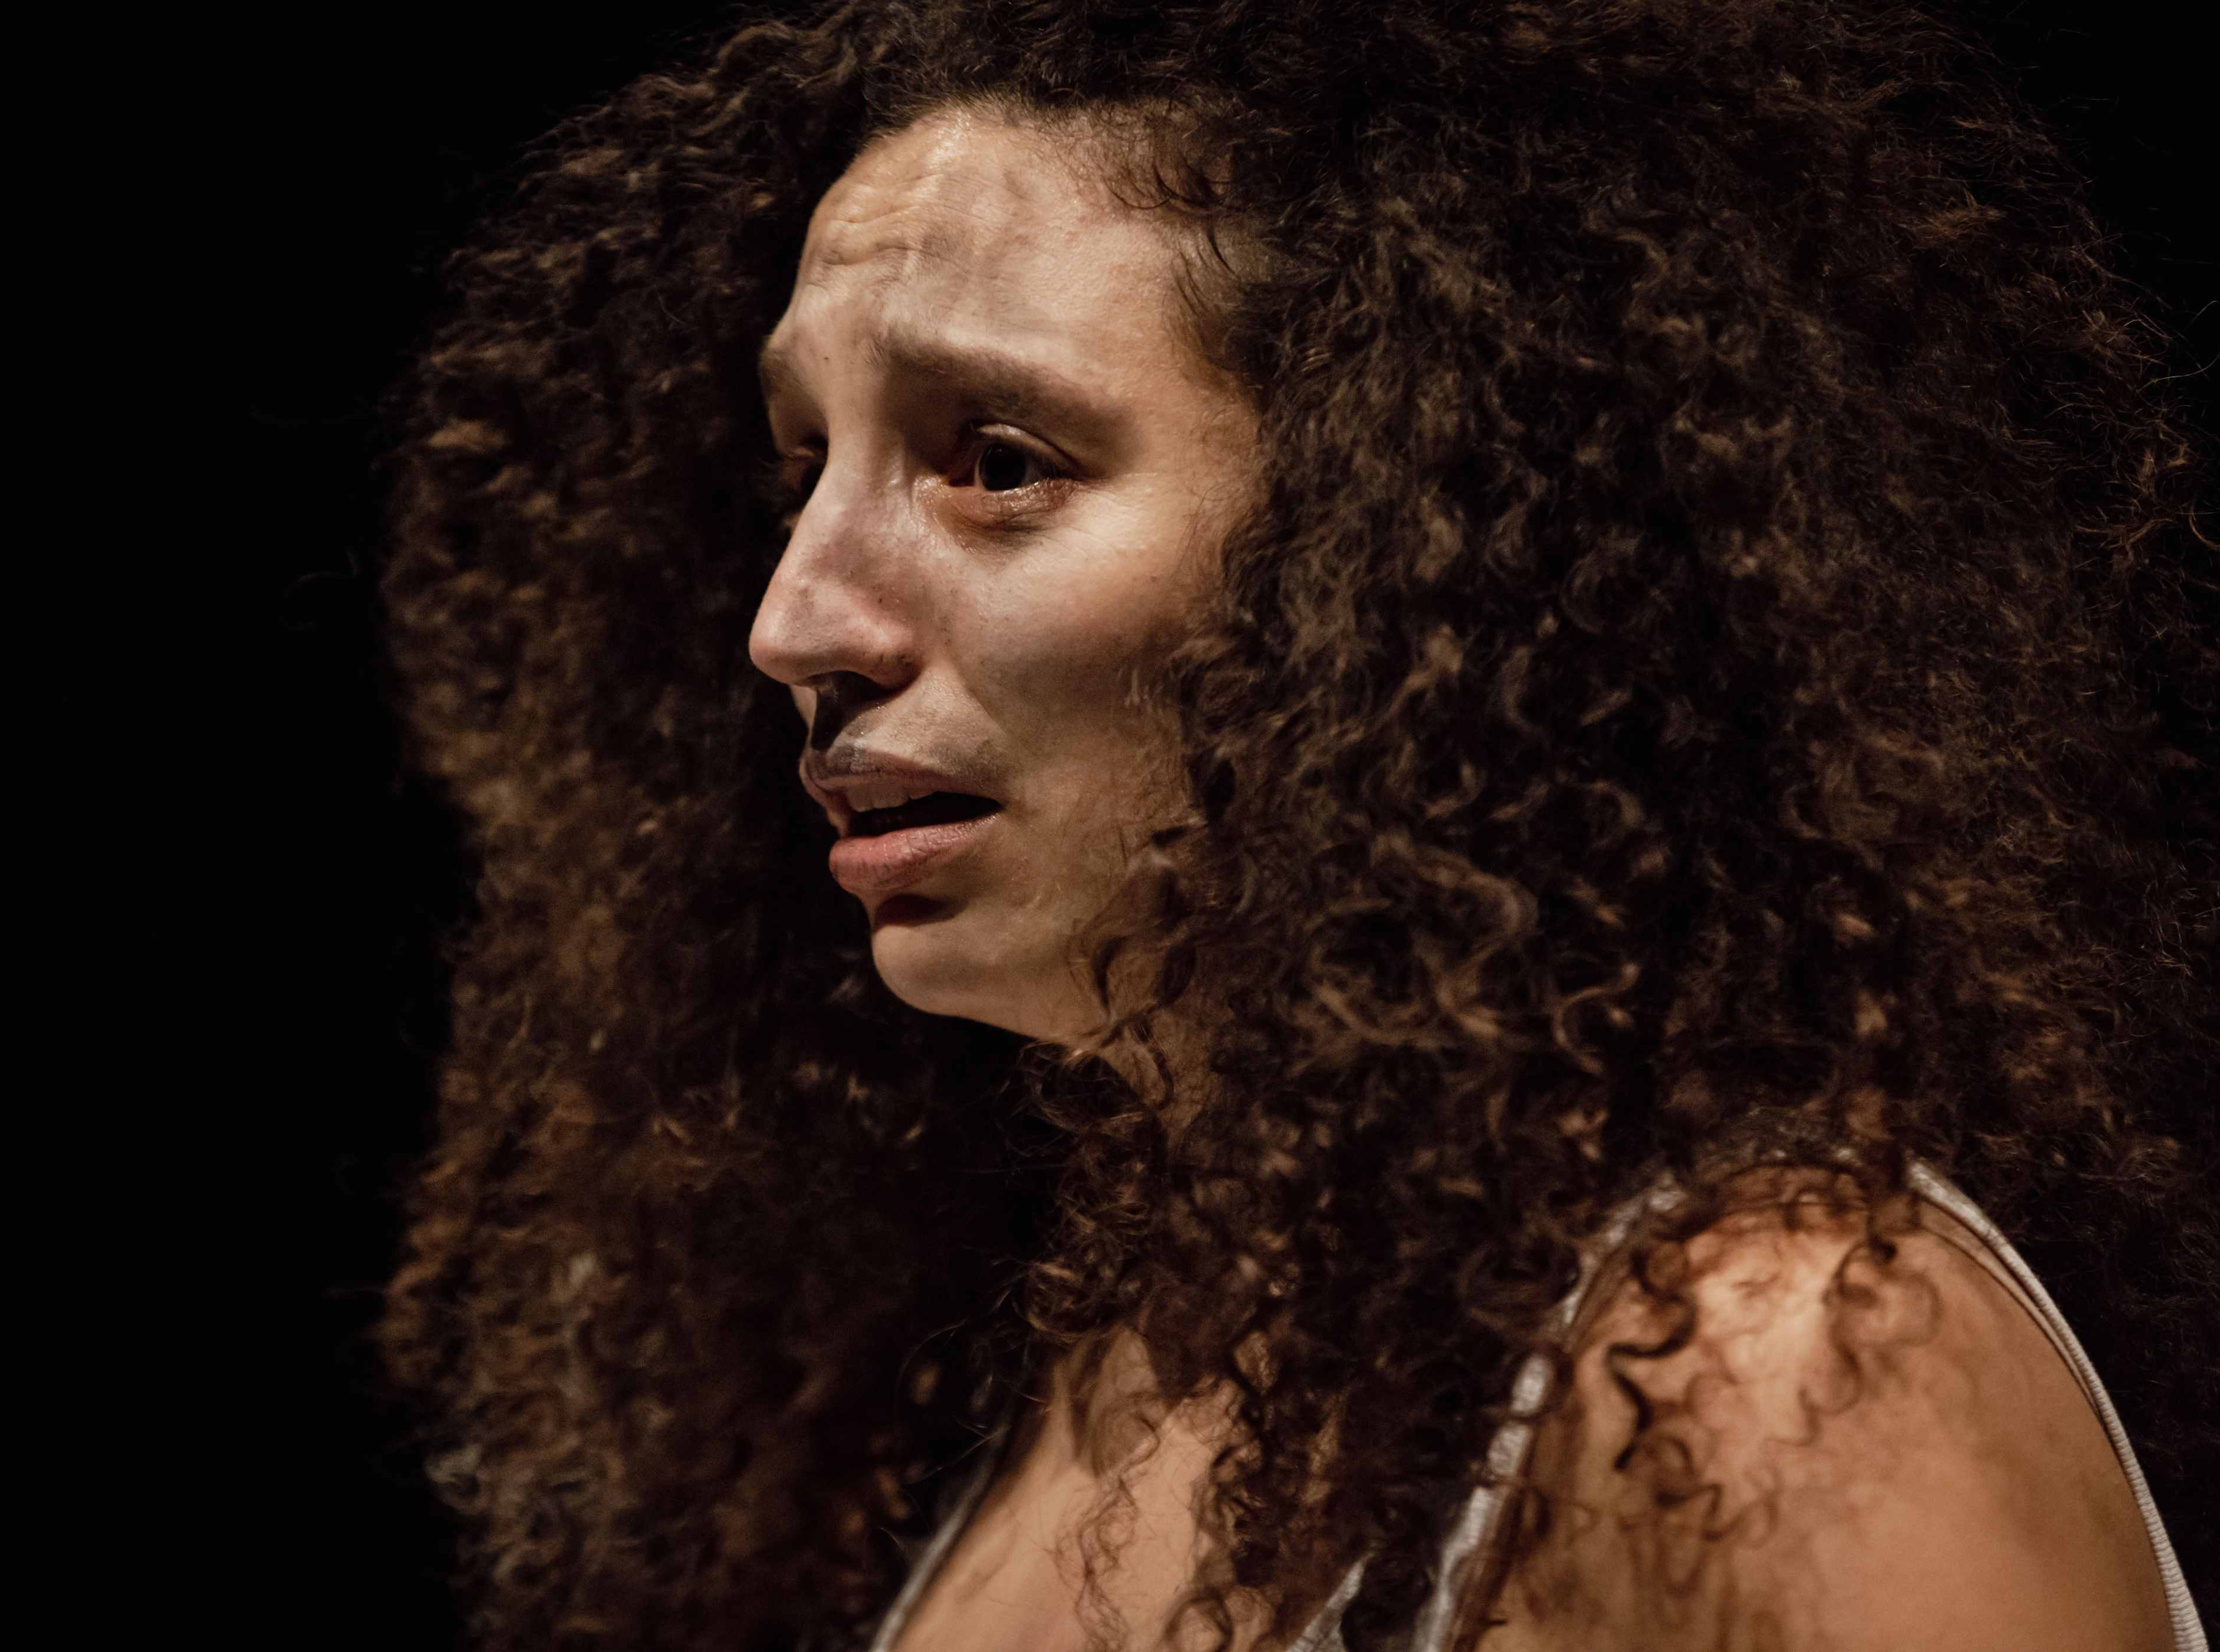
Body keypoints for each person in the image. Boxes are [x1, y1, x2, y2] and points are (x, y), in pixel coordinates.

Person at [369, 2, 2218, 1648]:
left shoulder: (1764, 1364)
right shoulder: (1054, 1362)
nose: (792, 626)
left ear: (1405, 538)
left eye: (997, 464)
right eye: (801, 469)